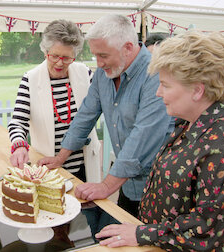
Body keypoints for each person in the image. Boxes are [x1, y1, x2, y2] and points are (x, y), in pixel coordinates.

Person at [94, 31, 224, 251]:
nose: (158, 93)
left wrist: (143, 233)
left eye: (166, 85)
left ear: (197, 90)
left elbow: (208, 228)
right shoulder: (189, 123)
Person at [38, 14, 172, 219]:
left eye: (104, 55)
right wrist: (60, 158)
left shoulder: (155, 73)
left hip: (160, 189)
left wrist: (106, 185)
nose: (98, 63)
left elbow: (143, 135)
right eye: (95, 56)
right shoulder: (104, 73)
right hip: (127, 186)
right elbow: (85, 115)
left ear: (128, 47)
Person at [8, 19, 101, 183]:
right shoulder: (30, 79)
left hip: (83, 166)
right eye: (55, 56)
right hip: (48, 167)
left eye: (66, 58)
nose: (60, 63)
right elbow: (17, 123)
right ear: (45, 51)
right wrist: (19, 145)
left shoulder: (85, 73)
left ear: (75, 55)